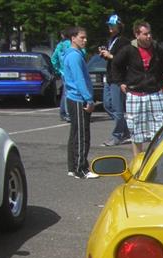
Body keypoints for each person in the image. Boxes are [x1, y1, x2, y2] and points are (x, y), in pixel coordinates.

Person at [112, 21, 163, 157]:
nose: (149, 36)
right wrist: (120, 82)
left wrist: (159, 83)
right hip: (135, 93)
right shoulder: (128, 49)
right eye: (145, 34)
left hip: (154, 93)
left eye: (150, 33)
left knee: (161, 128)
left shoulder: (156, 48)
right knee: (136, 130)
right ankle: (138, 161)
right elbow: (115, 64)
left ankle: (157, 160)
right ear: (137, 35)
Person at [62, 26, 97, 179]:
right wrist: (88, 99)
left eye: (85, 37)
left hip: (73, 97)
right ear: (73, 38)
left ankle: (72, 166)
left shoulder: (72, 55)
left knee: (75, 133)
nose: (85, 40)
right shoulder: (74, 56)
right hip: (78, 99)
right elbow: (79, 79)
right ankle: (81, 168)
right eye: (82, 37)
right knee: (82, 135)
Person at [99, 14, 131, 146]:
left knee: (118, 108)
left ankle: (118, 135)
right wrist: (104, 53)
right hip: (110, 76)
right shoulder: (111, 40)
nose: (110, 28)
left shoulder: (123, 41)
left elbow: (123, 59)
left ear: (119, 26)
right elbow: (111, 58)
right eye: (109, 25)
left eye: (112, 25)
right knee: (107, 104)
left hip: (119, 78)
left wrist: (111, 55)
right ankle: (125, 129)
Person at [51, 29, 71, 122]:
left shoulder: (59, 45)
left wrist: (58, 70)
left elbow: (54, 59)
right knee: (69, 93)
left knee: (65, 92)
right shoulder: (71, 44)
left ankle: (63, 112)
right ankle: (68, 114)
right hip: (70, 71)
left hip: (63, 72)